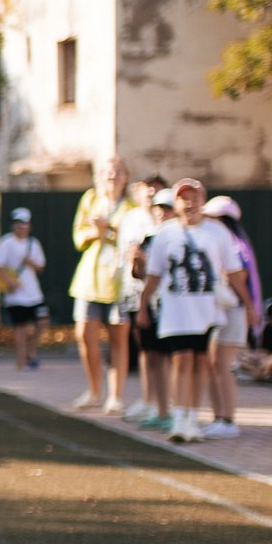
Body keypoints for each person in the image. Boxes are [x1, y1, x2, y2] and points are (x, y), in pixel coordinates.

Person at [134, 177, 250, 443]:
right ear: (176, 203)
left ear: (202, 200)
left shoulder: (216, 232)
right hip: (176, 308)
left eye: (194, 198)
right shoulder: (166, 233)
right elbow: (154, 274)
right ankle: (179, 416)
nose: (189, 203)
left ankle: (191, 416)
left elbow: (233, 272)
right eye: (184, 198)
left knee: (200, 362)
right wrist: (143, 307)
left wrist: (250, 305)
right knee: (180, 359)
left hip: (206, 309)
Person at [69, 157, 130, 412]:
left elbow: (132, 237)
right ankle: (94, 390)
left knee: (118, 338)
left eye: (118, 171)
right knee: (84, 334)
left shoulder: (132, 205)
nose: (112, 176)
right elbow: (79, 236)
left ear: (126, 176)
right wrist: (97, 232)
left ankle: (115, 396)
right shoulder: (91, 199)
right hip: (90, 279)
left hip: (119, 281)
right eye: (108, 172)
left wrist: (109, 230)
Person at [202, 195, 261, 425]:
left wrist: (249, 307)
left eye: (212, 217)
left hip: (231, 310)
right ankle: (219, 417)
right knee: (213, 365)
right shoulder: (225, 242)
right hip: (219, 309)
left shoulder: (233, 245)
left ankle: (226, 419)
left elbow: (238, 277)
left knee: (223, 365)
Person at [120, 181, 171, 427]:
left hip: (170, 305)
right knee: (148, 353)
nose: (162, 212)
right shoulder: (148, 236)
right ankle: (151, 402)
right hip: (146, 301)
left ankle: (170, 407)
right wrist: (137, 260)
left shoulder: (177, 236)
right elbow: (139, 274)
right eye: (159, 207)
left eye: (167, 207)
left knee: (168, 358)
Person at [0, 206, 48, 371]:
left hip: (34, 293)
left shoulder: (33, 243)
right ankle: (20, 361)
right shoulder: (6, 242)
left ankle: (30, 351)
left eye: (23, 224)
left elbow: (40, 267)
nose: (20, 227)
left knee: (42, 321)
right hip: (15, 295)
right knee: (21, 328)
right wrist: (9, 282)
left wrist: (30, 262)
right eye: (17, 224)